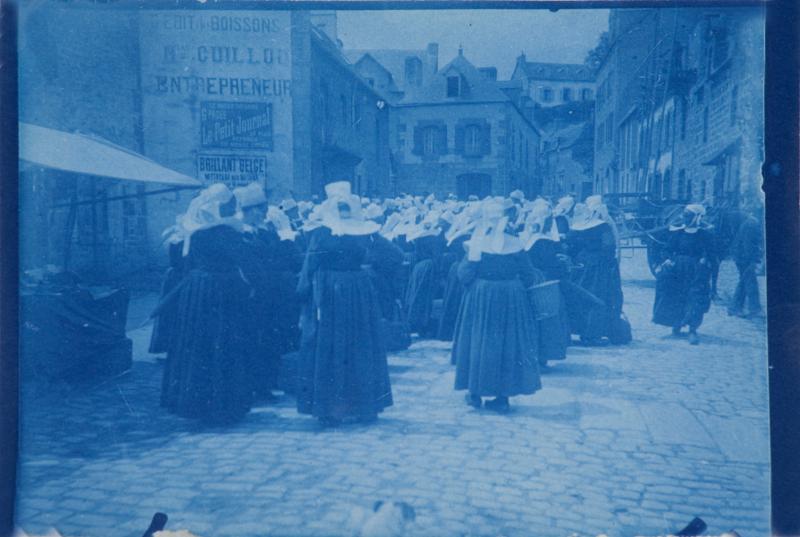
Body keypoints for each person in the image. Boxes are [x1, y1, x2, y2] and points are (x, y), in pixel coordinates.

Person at [295, 181, 393, 427]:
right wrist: (370, 275)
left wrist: (303, 295)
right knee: (360, 345)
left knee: (331, 345)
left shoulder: (320, 233)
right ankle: (363, 406)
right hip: (359, 293)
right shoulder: (365, 232)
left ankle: (331, 409)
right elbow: (393, 256)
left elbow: (309, 268)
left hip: (330, 293)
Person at [160, 184, 253, 424]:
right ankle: (224, 403)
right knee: (224, 341)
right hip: (223, 289)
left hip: (197, 290)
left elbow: (183, 263)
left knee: (197, 342)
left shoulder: (193, 234)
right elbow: (243, 261)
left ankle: (194, 401)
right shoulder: (228, 234)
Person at [452, 200, 542, 413]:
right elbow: (529, 275)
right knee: (507, 344)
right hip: (512, 298)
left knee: (479, 342)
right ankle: (502, 397)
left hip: (482, 296)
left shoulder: (477, 243)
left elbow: (464, 274)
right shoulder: (516, 243)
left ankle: (474, 393)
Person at [235, 183, 303, 403]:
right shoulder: (239, 234)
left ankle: (266, 383)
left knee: (269, 339)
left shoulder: (265, 233)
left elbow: (283, 258)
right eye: (257, 209)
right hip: (250, 296)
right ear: (246, 211)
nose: (261, 214)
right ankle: (252, 385)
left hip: (270, 295)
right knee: (251, 341)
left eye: (262, 209)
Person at [652, 204, 715, 345]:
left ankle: (693, 329)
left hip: (697, 270)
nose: (684, 218)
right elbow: (667, 249)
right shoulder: (678, 233)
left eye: (688, 215)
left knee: (695, 296)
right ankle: (677, 324)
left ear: (696, 217)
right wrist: (668, 259)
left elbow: (712, 253)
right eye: (684, 215)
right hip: (678, 269)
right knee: (676, 294)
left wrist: (705, 260)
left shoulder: (704, 235)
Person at [566, 196, 625, 345]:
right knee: (599, 297)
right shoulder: (604, 227)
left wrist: (577, 259)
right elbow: (609, 248)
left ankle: (577, 329)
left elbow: (571, 245)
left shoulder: (579, 226)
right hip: (599, 268)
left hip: (581, 265)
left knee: (580, 296)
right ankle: (592, 334)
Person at [522, 199, 571, 367]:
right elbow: (553, 266)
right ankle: (542, 355)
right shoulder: (545, 242)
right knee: (547, 321)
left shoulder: (529, 239)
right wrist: (563, 263)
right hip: (546, 285)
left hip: (531, 283)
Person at [728, 204, 763, 317]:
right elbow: (748, 244)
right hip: (744, 258)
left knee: (744, 281)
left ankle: (735, 308)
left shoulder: (750, 222)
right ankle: (754, 309)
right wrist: (753, 260)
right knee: (750, 281)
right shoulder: (752, 223)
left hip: (741, 256)